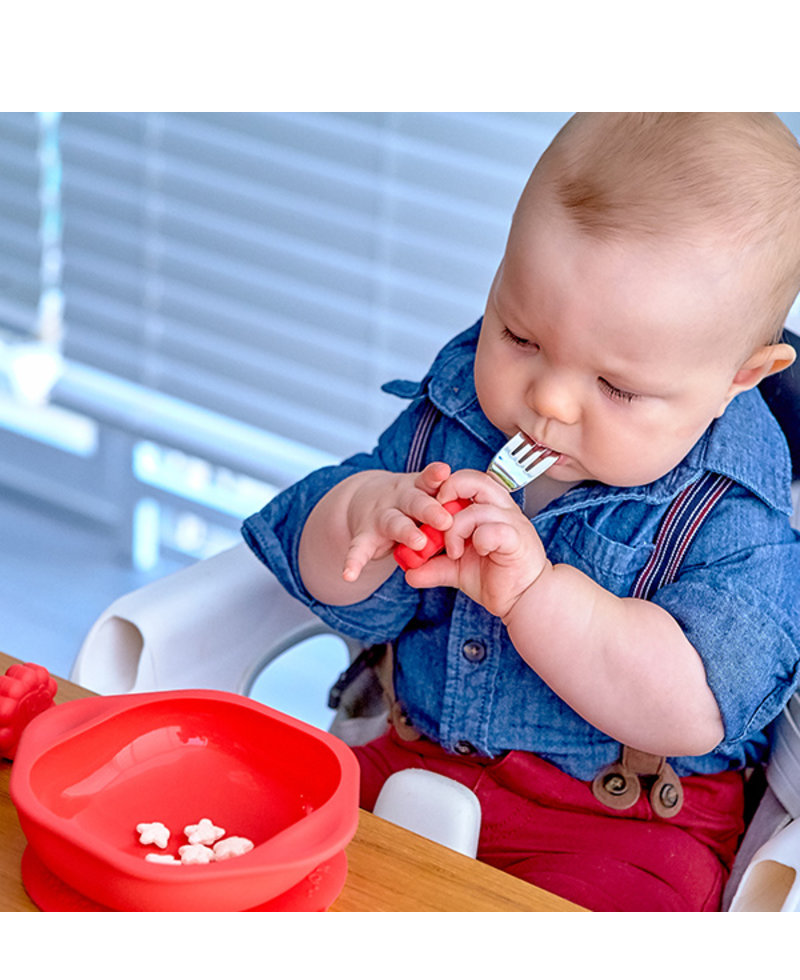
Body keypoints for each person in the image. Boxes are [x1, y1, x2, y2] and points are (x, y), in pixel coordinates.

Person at [242, 113, 800, 911]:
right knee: (276, 867)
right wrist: (362, 516)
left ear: (740, 377)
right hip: (406, 759)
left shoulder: (733, 518)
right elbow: (332, 582)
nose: (547, 398)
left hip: (620, 827)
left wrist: (535, 595)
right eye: (519, 334)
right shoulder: (454, 417)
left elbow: (692, 707)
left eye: (616, 387)